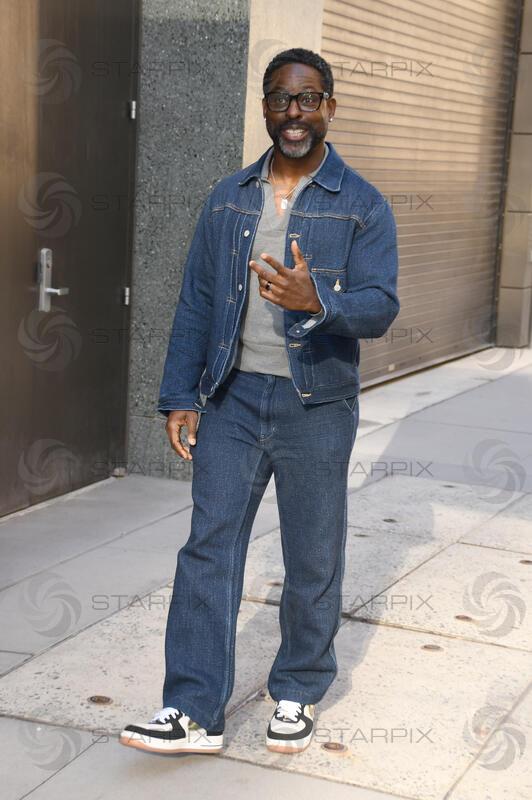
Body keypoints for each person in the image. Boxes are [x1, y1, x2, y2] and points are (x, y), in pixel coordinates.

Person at [120, 47, 399, 756]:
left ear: (330, 106)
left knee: (312, 555)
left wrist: (321, 301)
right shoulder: (228, 196)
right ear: (266, 107)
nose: (293, 114)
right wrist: (180, 395)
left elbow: (381, 306)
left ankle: (299, 688)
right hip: (234, 399)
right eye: (280, 99)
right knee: (208, 548)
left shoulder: (362, 204)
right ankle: (192, 709)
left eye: (308, 100)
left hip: (317, 405)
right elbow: (197, 303)